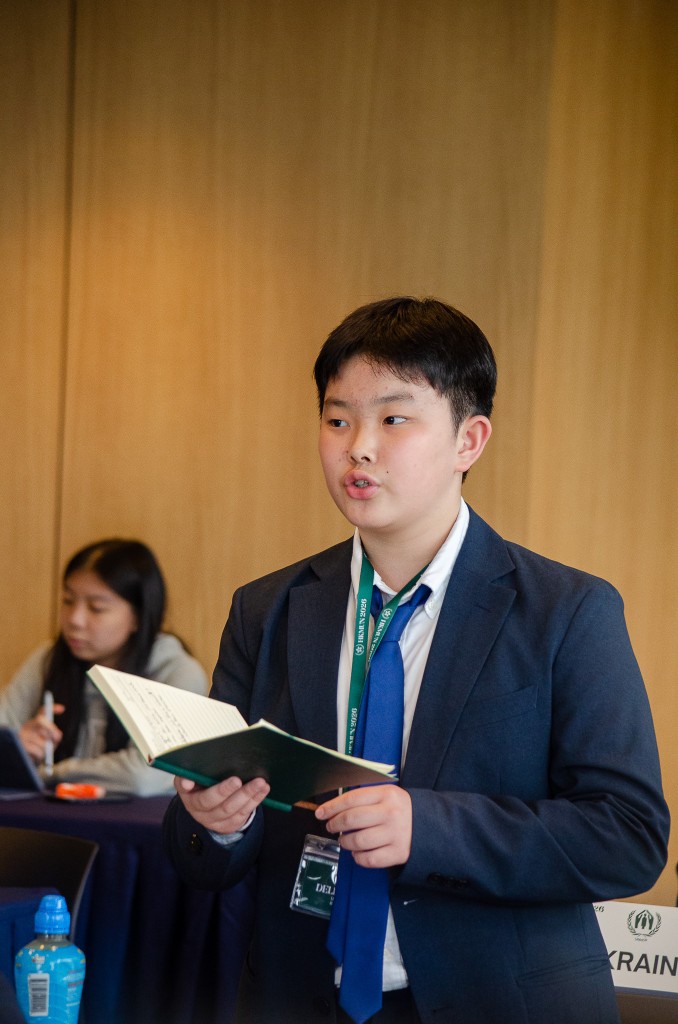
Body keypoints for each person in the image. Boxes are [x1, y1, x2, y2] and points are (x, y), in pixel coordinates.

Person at [163, 297, 669, 1024]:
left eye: (394, 420)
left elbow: (627, 836)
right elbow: (206, 854)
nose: (359, 448)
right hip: (299, 996)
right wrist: (216, 821)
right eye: (338, 420)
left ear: (470, 440)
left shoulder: (567, 611)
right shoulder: (267, 608)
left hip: (501, 1002)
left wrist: (427, 828)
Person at [0, 538, 208, 796]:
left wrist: (50, 773)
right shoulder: (49, 658)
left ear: (138, 617)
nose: (74, 620)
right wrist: (17, 750)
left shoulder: (177, 672)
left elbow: (145, 776)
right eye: (68, 600)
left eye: (96, 608)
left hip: (139, 822)